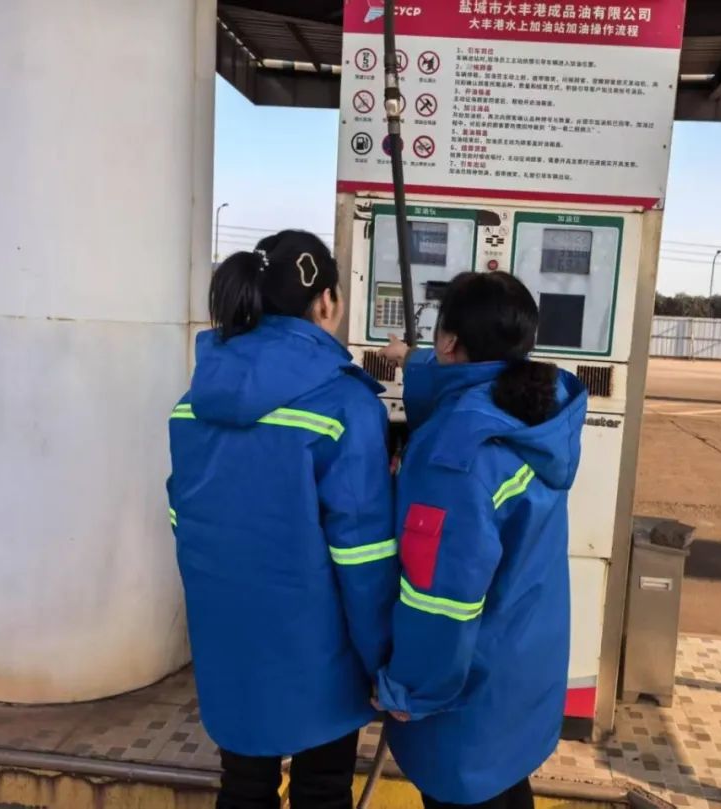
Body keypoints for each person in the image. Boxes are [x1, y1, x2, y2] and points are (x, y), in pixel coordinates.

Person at [167, 230, 396, 809]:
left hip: (228, 634)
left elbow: (182, 516)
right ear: (327, 302)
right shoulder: (346, 406)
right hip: (322, 646)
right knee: (322, 789)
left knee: (244, 786)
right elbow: (363, 556)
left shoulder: (193, 402)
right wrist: (383, 659)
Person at [375, 272, 588, 809]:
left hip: (465, 697)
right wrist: (411, 360)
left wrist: (408, 690)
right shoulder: (537, 412)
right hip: (521, 677)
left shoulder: (455, 456)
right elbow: (460, 380)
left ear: (449, 341)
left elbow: (440, 600)